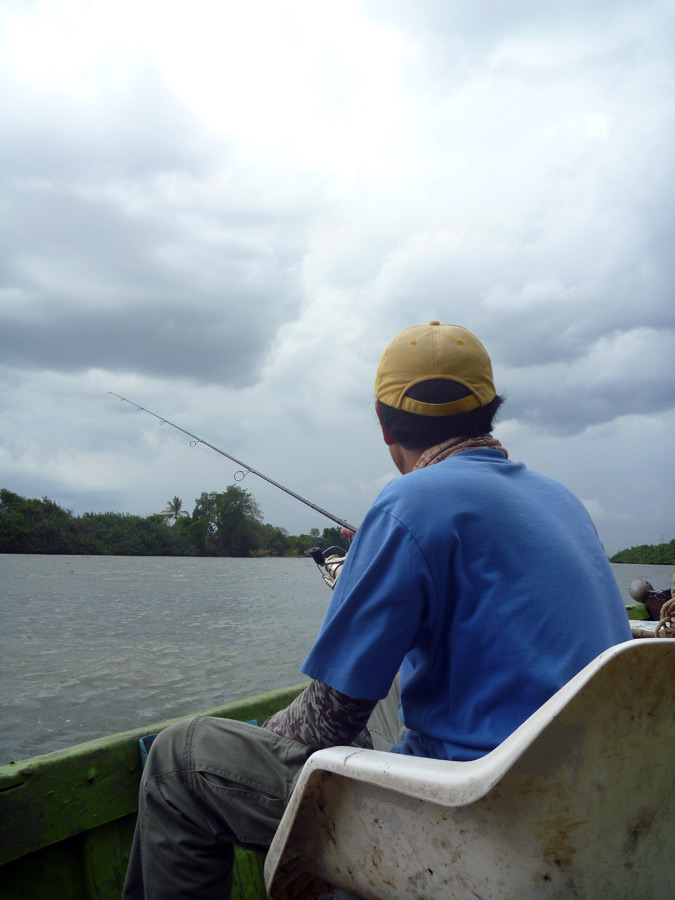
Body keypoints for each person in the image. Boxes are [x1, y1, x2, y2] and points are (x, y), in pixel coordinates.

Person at [122, 321, 632, 899]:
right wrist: (388, 540)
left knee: (178, 760)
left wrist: (261, 734)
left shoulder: (408, 504)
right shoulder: (561, 501)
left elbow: (326, 723)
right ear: (490, 408)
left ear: (384, 421)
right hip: (585, 817)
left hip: (471, 823)